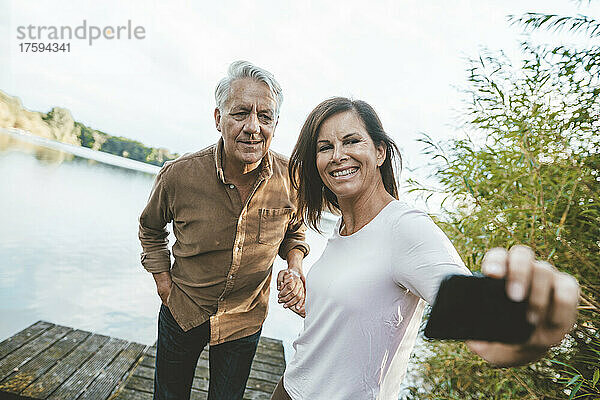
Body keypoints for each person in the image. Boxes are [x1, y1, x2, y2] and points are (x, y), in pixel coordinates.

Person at [271, 97, 580, 400]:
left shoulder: (405, 228)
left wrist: (526, 331)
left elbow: (477, 318)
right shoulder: (340, 229)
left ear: (379, 152)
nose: (338, 155)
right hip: (288, 387)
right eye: (325, 147)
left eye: (351, 141)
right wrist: (312, 301)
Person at [138, 60, 309, 400]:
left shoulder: (292, 178)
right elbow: (151, 228)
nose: (253, 127)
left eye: (265, 116)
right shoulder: (178, 175)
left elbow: (295, 230)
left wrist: (294, 266)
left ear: (275, 123)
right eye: (240, 113)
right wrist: (163, 285)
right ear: (218, 118)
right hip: (183, 309)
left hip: (245, 320)